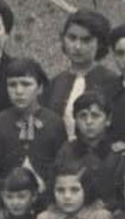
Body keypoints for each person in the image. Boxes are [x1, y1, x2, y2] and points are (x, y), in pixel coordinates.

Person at [0, 58, 64, 208]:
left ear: (39, 88)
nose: (19, 91)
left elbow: (60, 167)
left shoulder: (54, 123)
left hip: (46, 205)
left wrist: (52, 203)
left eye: (26, 84)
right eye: (12, 85)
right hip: (9, 204)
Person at [46, 9, 120, 141]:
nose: (77, 46)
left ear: (100, 43)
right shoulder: (56, 83)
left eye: (86, 40)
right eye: (72, 38)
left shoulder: (111, 82)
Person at [52, 91, 125, 208]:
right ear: (75, 120)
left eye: (95, 115)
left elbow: (122, 195)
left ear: (108, 120)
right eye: (82, 116)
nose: (89, 122)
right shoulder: (66, 151)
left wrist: (108, 205)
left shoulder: (117, 154)